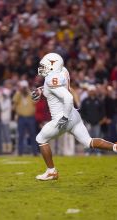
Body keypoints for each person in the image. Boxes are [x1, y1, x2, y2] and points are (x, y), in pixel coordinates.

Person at [31, 53, 117, 181]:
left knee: (41, 138)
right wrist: (41, 90)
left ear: (53, 66)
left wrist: (64, 117)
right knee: (88, 141)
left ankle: (51, 171)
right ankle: (115, 147)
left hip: (62, 117)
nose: (42, 68)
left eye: (45, 66)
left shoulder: (51, 79)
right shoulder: (63, 71)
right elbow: (55, 87)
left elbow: (68, 97)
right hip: (74, 115)